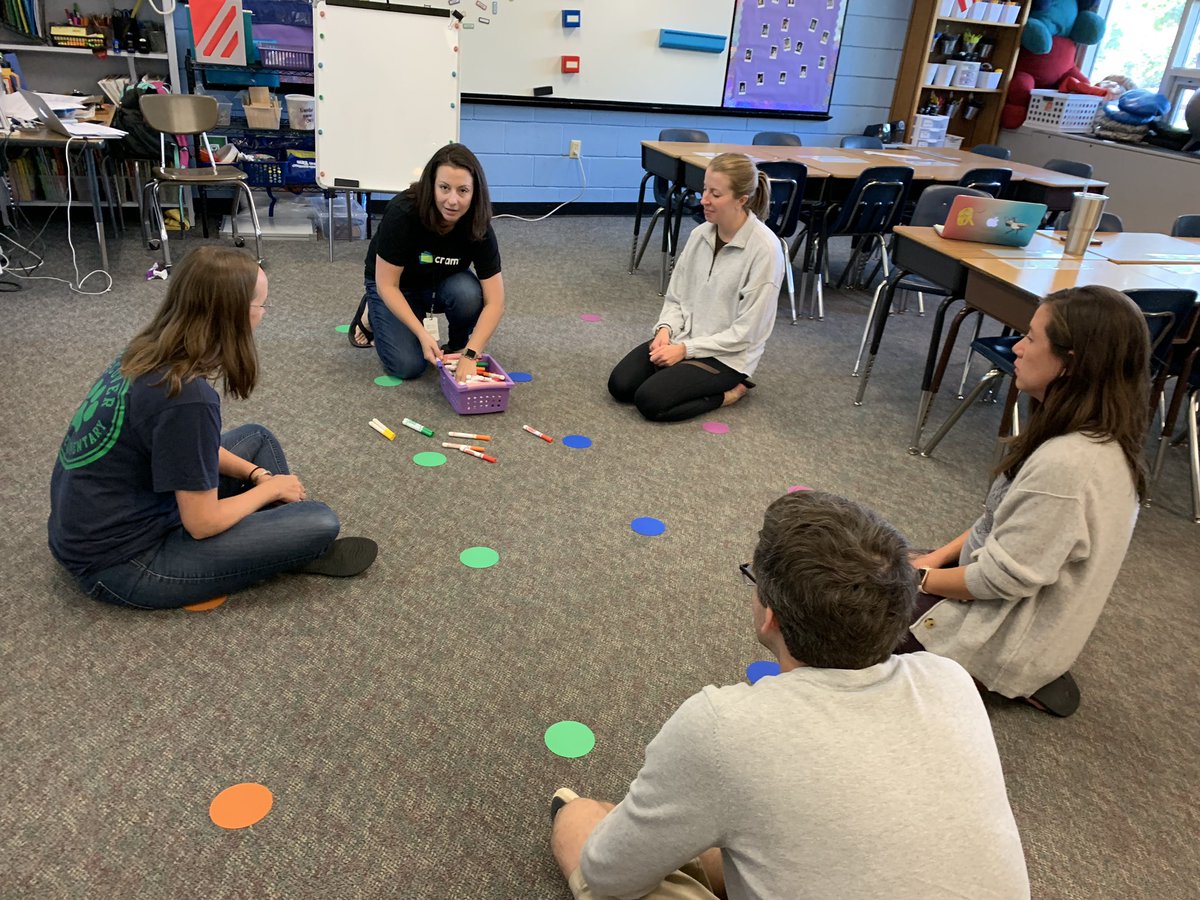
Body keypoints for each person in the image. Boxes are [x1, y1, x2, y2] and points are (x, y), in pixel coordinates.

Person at [550, 491, 1030, 900]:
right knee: (737, 837)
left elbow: (609, 876)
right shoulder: (949, 679)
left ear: (770, 617)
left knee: (580, 820)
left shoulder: (722, 728)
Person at [48, 246, 377, 611]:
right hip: (125, 564)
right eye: (262, 305)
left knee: (257, 438)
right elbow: (201, 523)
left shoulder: (148, 348)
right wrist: (269, 490)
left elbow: (186, 447)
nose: (264, 314)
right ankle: (282, 547)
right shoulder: (188, 398)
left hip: (92, 529)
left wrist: (256, 475)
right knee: (320, 522)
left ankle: (273, 540)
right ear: (234, 314)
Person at [906, 285, 1150, 717]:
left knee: (826, 611)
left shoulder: (1068, 465)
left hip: (990, 629)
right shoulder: (1098, 434)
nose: (1017, 348)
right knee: (872, 555)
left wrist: (920, 580)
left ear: (1071, 364)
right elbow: (1000, 521)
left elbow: (998, 580)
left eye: (1032, 339)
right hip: (1005, 596)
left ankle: (1001, 675)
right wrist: (934, 559)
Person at [608, 152, 784, 422]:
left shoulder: (765, 250)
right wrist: (665, 330)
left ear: (741, 200)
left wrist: (685, 351)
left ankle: (730, 393)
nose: (704, 200)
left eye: (716, 194)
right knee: (620, 386)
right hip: (683, 338)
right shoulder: (700, 235)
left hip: (726, 356)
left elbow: (746, 333)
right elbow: (676, 297)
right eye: (705, 189)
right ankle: (678, 368)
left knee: (650, 401)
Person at [349, 143, 504, 383]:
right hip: (395, 285)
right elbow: (388, 284)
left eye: (463, 190)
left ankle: (456, 345)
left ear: (475, 193)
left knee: (467, 293)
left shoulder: (478, 224)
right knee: (407, 366)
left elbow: (495, 301)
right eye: (444, 188)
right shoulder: (403, 212)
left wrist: (471, 354)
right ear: (431, 185)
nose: (452, 200)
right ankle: (371, 309)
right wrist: (422, 334)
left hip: (439, 282)